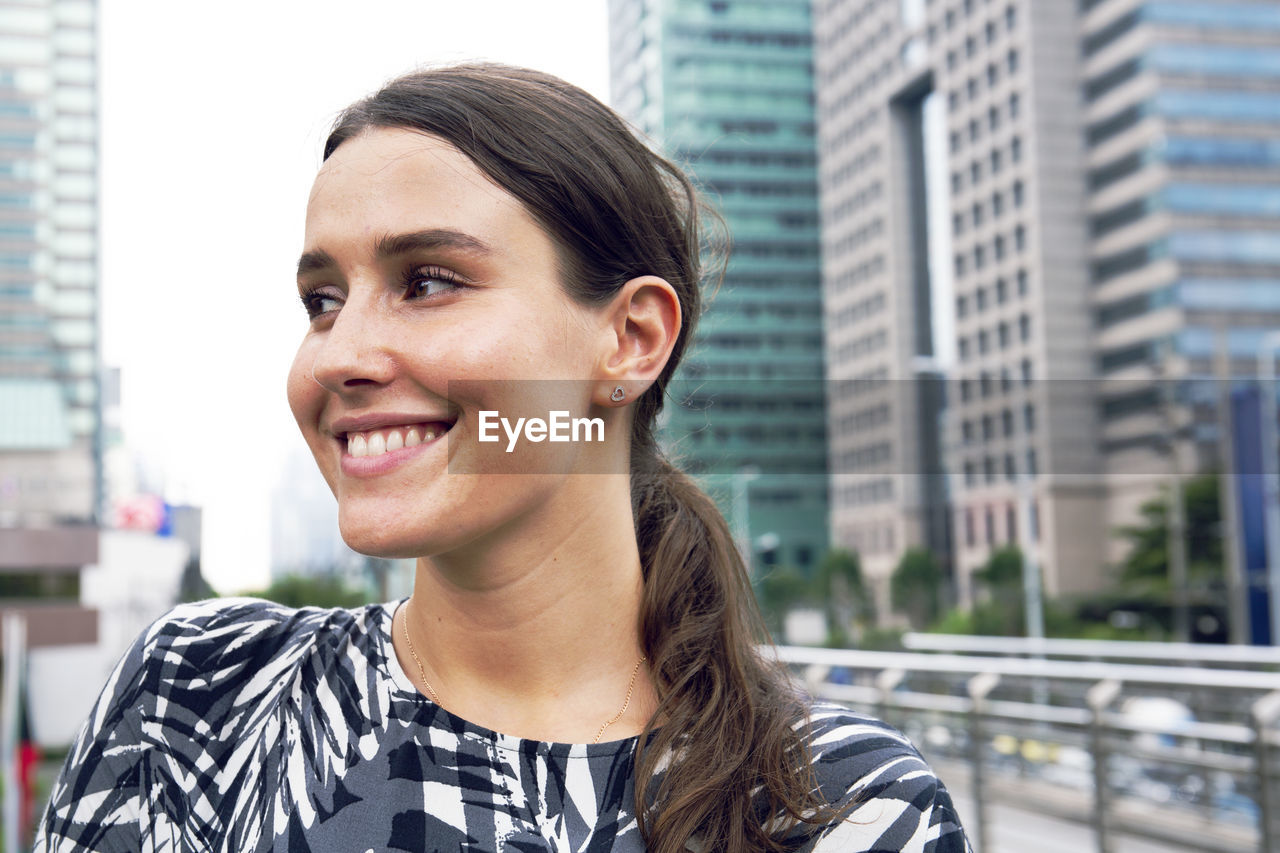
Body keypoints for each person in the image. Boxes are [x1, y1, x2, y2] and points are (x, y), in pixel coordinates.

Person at [35, 64, 970, 853]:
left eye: (428, 282)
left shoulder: (848, 808)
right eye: (323, 299)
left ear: (632, 338)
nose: (340, 354)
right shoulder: (194, 698)